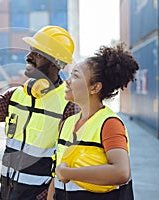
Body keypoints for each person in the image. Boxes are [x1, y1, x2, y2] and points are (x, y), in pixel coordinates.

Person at [0, 25, 80, 199]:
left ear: (56, 63)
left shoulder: (69, 106)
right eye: (31, 50)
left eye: (37, 53)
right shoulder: (16, 96)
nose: (28, 56)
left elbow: (72, 165)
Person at [52, 43, 139, 200]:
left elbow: (121, 172)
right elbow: (56, 175)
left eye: (76, 76)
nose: (67, 81)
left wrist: (68, 173)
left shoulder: (109, 124)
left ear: (94, 88)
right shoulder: (67, 124)